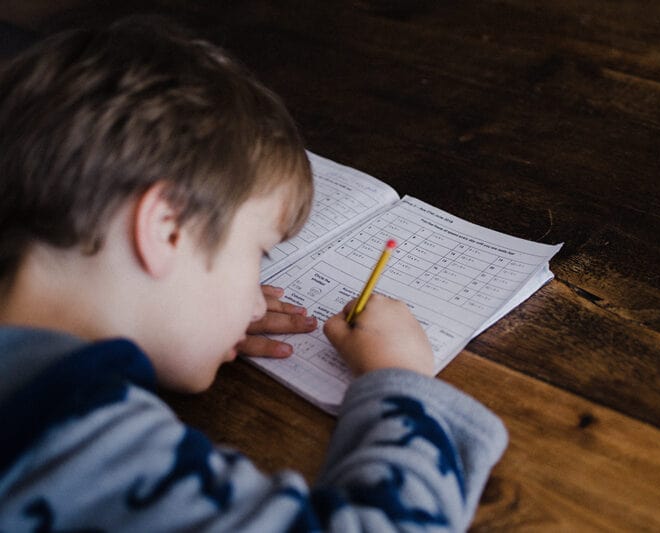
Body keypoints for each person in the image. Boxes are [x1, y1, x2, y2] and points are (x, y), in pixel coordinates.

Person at [0, 19, 507, 532]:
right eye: (259, 253)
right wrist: (400, 382)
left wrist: (176, 322)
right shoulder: (77, 441)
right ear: (167, 229)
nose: (259, 305)